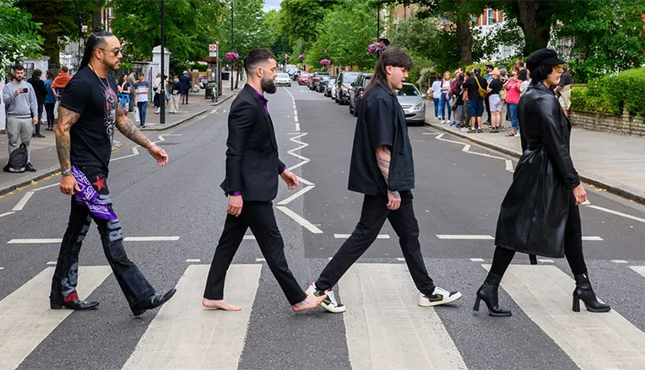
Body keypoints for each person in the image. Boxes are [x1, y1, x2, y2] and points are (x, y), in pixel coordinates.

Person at [305, 48, 462, 313]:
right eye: (404, 70)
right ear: (389, 68)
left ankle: (428, 290)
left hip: (394, 182)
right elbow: (382, 149)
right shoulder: (379, 99)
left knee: (409, 233)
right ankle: (321, 287)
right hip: (385, 184)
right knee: (364, 235)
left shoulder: (383, 95)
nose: (406, 74)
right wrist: (392, 189)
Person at [474, 49, 611, 317]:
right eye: (556, 66)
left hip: (535, 167)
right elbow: (556, 146)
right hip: (544, 172)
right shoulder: (544, 100)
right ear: (544, 70)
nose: (560, 70)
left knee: (569, 227)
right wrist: (574, 183)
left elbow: (531, 142)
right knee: (518, 227)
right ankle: (489, 286)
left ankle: (583, 286)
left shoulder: (533, 95)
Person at [52, 27, 175, 316]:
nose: (121, 55)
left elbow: (120, 119)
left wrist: (149, 145)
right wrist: (67, 172)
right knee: (112, 229)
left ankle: (63, 292)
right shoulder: (81, 83)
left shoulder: (106, 80)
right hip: (86, 171)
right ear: (98, 53)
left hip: (97, 168)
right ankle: (141, 295)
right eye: (116, 51)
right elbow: (62, 127)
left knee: (76, 231)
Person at [202, 48, 326, 313]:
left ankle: (212, 294)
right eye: (272, 70)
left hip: (253, 184)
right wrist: (235, 191)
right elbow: (234, 151)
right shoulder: (245, 104)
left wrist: (282, 169)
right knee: (273, 245)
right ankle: (297, 299)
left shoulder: (255, 100)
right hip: (251, 190)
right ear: (259, 71)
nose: (275, 74)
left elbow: (260, 147)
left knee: (228, 242)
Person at [2, 64, 38, 172]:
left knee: (27, 141)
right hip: (13, 117)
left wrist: (35, 115)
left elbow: (33, 101)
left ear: (24, 73)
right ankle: (13, 162)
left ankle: (27, 162)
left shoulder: (28, 86)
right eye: (17, 73)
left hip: (27, 117)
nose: (19, 75)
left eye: (21, 73)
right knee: (12, 141)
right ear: (14, 73)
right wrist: (15, 94)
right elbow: (5, 101)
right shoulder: (8, 87)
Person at [462, 67, 487, 133]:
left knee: (472, 113)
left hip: (472, 98)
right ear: (480, 72)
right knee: (479, 113)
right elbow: (485, 87)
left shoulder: (471, 79)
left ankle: (473, 128)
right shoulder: (483, 80)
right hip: (480, 98)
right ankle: (479, 127)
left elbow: (464, 85)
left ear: (474, 72)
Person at [28, 69, 48, 138]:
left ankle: (30, 132)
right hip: (39, 100)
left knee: (31, 116)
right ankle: (37, 132)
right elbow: (45, 91)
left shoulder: (29, 81)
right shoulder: (40, 82)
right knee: (38, 116)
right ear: (39, 75)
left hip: (30, 100)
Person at [503, 70, 522, 137]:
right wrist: (508, 80)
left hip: (515, 101)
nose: (512, 76)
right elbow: (504, 87)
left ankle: (513, 131)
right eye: (511, 74)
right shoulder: (510, 82)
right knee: (511, 117)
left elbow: (519, 89)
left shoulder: (519, 81)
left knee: (514, 117)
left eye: (514, 75)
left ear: (517, 75)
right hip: (508, 101)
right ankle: (515, 129)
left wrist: (516, 81)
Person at [486, 68, 503, 133]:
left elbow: (488, 90)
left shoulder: (492, 82)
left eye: (492, 74)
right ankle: (497, 126)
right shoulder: (500, 82)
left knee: (493, 113)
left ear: (494, 75)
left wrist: (488, 83)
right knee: (498, 113)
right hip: (499, 97)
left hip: (493, 96)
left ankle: (493, 127)